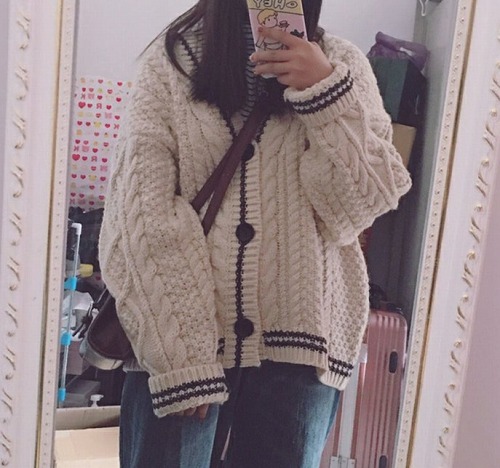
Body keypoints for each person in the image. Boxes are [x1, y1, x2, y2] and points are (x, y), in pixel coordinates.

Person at [98, 0, 412, 467]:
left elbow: (360, 206)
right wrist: (184, 355)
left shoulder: (341, 65)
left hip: (299, 358)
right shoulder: (170, 64)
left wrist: (327, 94)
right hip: (178, 347)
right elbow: (141, 214)